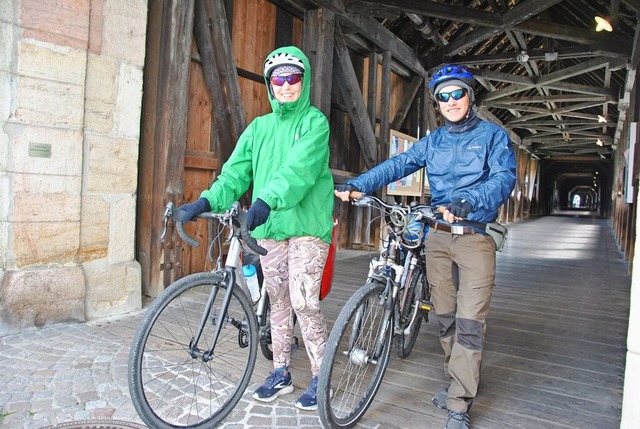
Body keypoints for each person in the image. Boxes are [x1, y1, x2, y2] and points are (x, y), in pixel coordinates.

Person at [335, 64, 516, 429]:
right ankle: (456, 381)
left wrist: (471, 198)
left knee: (469, 321)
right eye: (443, 96)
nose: (451, 101)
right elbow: (398, 164)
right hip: (436, 237)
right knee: (445, 316)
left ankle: (459, 405)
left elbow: (503, 177)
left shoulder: (493, 137)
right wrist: (362, 182)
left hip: (474, 236)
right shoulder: (433, 141)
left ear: (470, 96)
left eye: (457, 93)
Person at [177, 46, 334, 411]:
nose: (285, 85)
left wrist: (263, 202)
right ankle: (280, 372)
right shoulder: (258, 128)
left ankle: (320, 377)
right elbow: (235, 172)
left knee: (304, 301)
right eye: (277, 78)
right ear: (269, 84)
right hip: (270, 227)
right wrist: (204, 202)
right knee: (276, 299)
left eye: (292, 77)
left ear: (303, 80)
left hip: (307, 225)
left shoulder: (315, 122)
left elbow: (299, 170)